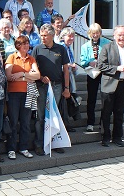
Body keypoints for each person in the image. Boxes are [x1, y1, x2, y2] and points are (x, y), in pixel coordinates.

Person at [98, 25, 124, 147]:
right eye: (120, 35)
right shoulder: (107, 47)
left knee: (119, 113)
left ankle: (117, 137)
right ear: (114, 35)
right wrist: (117, 68)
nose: (122, 37)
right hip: (109, 85)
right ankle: (105, 137)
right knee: (106, 112)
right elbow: (101, 66)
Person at [32, 24, 70, 156]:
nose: (42, 38)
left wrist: (66, 88)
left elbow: (66, 70)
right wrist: (41, 77)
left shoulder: (61, 49)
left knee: (55, 115)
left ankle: (55, 143)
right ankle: (39, 144)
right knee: (41, 116)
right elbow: (32, 68)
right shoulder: (37, 49)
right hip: (42, 87)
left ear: (52, 35)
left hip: (57, 86)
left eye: (45, 35)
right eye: (41, 35)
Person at [5, 35, 40, 160]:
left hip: (28, 93)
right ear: (18, 45)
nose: (26, 46)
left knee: (25, 122)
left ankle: (23, 147)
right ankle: (11, 148)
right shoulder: (12, 57)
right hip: (14, 94)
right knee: (14, 122)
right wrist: (27, 76)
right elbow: (9, 77)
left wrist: (22, 75)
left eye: (27, 43)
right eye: (23, 44)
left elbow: (37, 75)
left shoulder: (31, 59)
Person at [80, 23, 110, 132]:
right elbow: (82, 62)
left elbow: (111, 57)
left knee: (105, 98)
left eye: (97, 32)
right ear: (90, 34)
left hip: (104, 73)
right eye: (93, 33)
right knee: (91, 98)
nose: (95, 35)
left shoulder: (107, 43)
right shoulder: (85, 46)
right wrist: (89, 62)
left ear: (100, 33)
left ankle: (103, 123)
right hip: (92, 74)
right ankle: (90, 123)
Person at [58, 27, 78, 132]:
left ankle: (66, 122)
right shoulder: (61, 47)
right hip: (62, 76)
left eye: (72, 36)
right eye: (69, 36)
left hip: (69, 75)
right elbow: (60, 64)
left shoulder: (69, 47)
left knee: (67, 100)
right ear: (63, 36)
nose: (71, 38)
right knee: (63, 101)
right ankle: (64, 123)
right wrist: (70, 65)